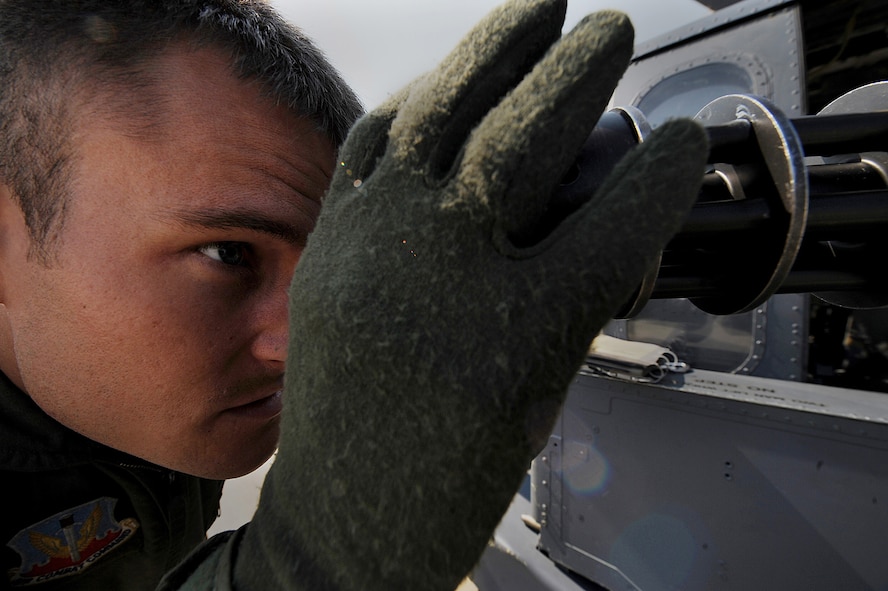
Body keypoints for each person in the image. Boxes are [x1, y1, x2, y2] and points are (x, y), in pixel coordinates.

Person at [0, 0, 708, 590]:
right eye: (229, 253)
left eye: (322, 265)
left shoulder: (132, 402)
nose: (303, 338)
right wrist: (309, 555)